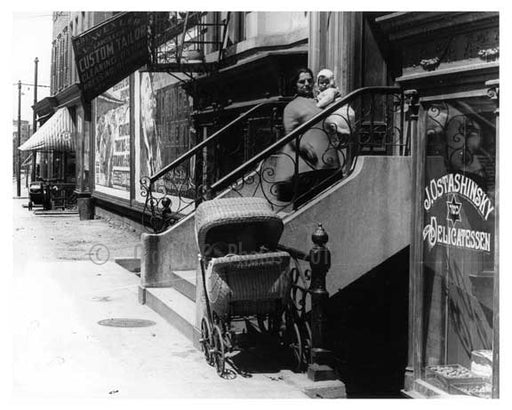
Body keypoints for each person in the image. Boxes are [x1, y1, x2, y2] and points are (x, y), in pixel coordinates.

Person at [273, 68, 341, 202]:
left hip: (328, 161)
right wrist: (303, 147)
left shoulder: (320, 100)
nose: (306, 84)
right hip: (308, 165)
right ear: (295, 85)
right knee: (306, 204)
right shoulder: (292, 106)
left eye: (309, 81)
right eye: (301, 82)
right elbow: (290, 132)